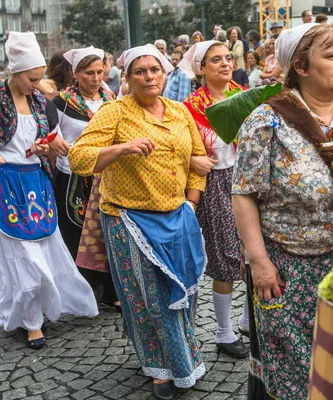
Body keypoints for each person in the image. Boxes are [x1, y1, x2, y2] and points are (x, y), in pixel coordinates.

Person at [232, 22, 333, 400]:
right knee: (299, 377)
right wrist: (259, 262)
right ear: (300, 66)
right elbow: (243, 193)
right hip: (288, 269)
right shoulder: (267, 122)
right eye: (331, 56)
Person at [0, 32, 99, 349]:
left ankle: (37, 310)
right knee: (22, 257)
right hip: (5, 183)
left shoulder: (40, 103)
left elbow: (48, 142)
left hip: (36, 184)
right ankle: (32, 322)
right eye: (32, 79)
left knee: (44, 251)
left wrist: (46, 147)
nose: (37, 85)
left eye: (39, 78)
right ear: (16, 72)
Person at [68, 43, 207, 400]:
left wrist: (191, 203)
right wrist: (121, 149)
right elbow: (78, 158)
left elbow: (197, 158)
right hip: (130, 220)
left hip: (178, 216)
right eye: (140, 72)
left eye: (155, 70)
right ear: (127, 79)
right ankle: (161, 369)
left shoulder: (179, 111)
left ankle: (182, 354)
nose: (149, 76)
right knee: (149, 297)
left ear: (165, 73)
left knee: (185, 293)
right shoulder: (115, 112)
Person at [180, 40, 249, 359]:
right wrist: (194, 159)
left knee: (256, 249)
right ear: (201, 69)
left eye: (228, 58)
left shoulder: (242, 94)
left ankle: (250, 318)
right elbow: (182, 148)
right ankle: (223, 331)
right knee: (226, 254)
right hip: (215, 183)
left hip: (248, 176)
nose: (225, 63)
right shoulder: (191, 106)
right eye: (216, 60)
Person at [51, 46, 118, 310]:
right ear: (76, 74)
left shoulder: (110, 99)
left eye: (100, 72)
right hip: (73, 175)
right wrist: (55, 140)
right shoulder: (61, 103)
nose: (95, 78)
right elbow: (47, 130)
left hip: (104, 174)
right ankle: (83, 289)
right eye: (89, 73)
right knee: (76, 232)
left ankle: (110, 289)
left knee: (105, 231)